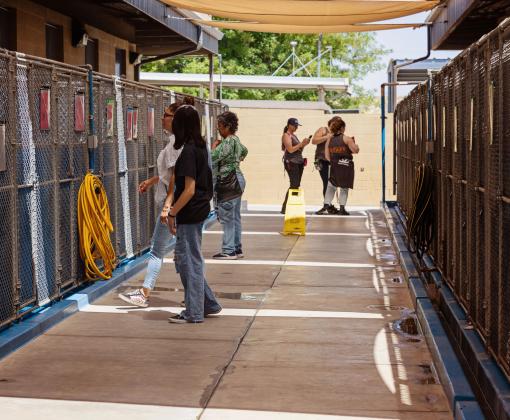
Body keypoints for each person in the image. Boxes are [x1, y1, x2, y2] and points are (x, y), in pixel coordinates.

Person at [118, 100, 185, 307]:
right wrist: (152, 180)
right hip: (174, 204)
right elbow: (168, 175)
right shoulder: (175, 142)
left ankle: (144, 293)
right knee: (185, 254)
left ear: (176, 119)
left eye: (166, 115)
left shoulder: (176, 143)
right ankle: (200, 296)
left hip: (173, 205)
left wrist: (168, 208)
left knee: (159, 250)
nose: (162, 118)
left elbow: (175, 177)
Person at [163, 105, 222, 324]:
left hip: (189, 213)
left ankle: (194, 311)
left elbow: (188, 190)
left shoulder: (188, 151)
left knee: (189, 262)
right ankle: (208, 303)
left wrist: (172, 213)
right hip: (197, 211)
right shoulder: (201, 147)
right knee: (187, 260)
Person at [211, 111, 248, 260]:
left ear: (227, 126)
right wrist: (238, 158)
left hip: (228, 181)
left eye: (220, 126)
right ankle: (237, 248)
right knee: (235, 216)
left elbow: (212, 157)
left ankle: (228, 250)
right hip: (237, 179)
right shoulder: (236, 140)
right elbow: (245, 151)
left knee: (227, 217)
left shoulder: (227, 142)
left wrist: (214, 147)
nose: (218, 130)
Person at [322, 116, 359, 215]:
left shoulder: (329, 140)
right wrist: (356, 146)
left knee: (331, 186)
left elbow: (327, 156)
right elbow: (355, 150)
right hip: (346, 166)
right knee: (344, 188)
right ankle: (342, 209)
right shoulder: (347, 139)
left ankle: (326, 206)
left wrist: (335, 161)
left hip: (334, 166)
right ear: (342, 128)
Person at [280, 117, 310, 214]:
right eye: (294, 125)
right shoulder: (286, 135)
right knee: (294, 184)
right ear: (289, 125)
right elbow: (290, 150)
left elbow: (299, 150)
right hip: (291, 162)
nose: (296, 127)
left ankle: (291, 205)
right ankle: (285, 208)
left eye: (297, 125)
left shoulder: (294, 136)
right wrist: (301, 143)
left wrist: (304, 144)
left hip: (298, 162)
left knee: (296, 185)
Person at [313, 118, 338, 215]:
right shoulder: (323, 129)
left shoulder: (337, 133)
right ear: (331, 123)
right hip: (321, 160)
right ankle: (327, 205)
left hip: (332, 161)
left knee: (331, 183)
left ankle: (328, 205)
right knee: (326, 183)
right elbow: (314, 141)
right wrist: (327, 137)